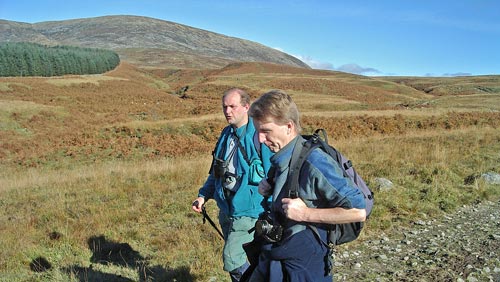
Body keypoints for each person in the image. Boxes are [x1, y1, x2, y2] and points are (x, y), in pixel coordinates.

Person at [246, 90, 367, 281]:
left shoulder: (315, 162)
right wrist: (270, 185)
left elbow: (358, 210)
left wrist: (305, 214)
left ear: (288, 126)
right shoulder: (284, 156)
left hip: (305, 264)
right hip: (280, 254)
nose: (260, 139)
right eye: (258, 131)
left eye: (266, 131)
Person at [192, 88, 273, 282]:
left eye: (232, 106)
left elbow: (274, 175)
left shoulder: (260, 135)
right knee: (249, 257)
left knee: (232, 258)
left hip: (250, 210)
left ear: (246, 107)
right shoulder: (226, 134)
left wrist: (272, 210)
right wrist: (203, 195)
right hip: (226, 208)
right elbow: (216, 171)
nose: (227, 111)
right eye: (224, 107)